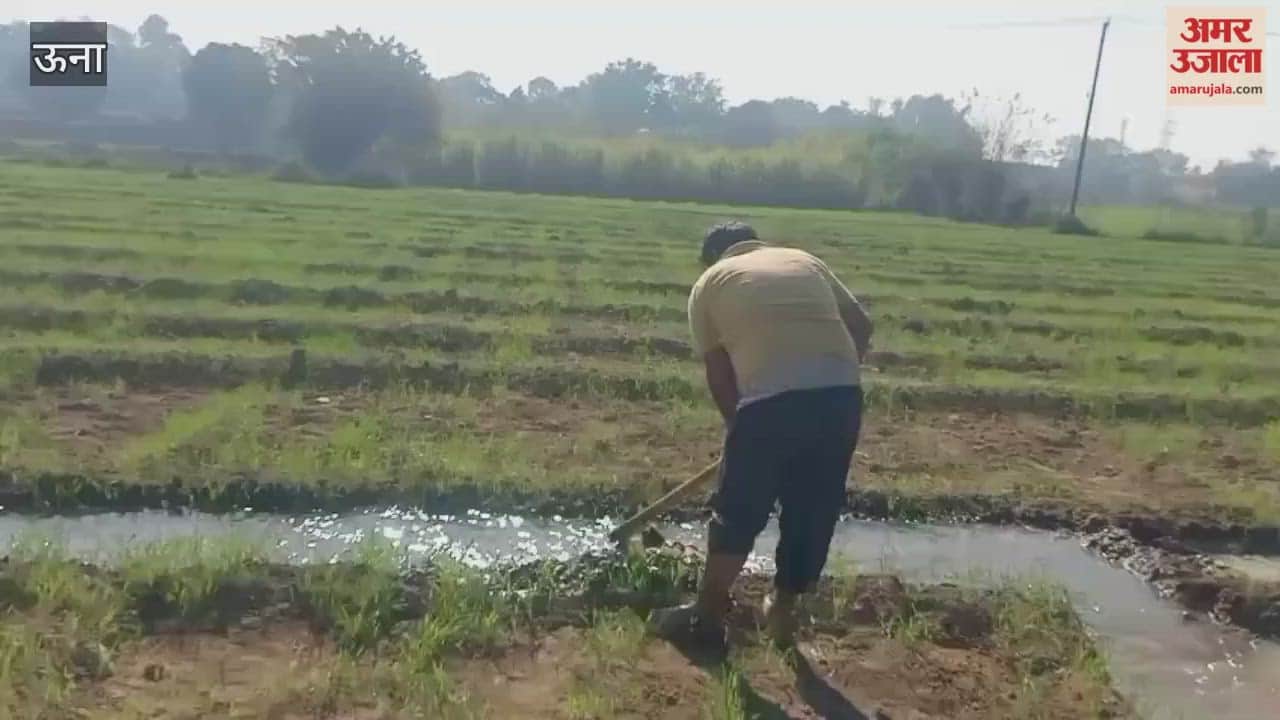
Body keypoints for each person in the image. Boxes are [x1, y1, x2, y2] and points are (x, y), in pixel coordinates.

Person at [650, 221, 872, 651]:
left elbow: (718, 371)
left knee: (739, 510)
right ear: (756, 244)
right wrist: (832, 375)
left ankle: (708, 613)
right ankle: (783, 611)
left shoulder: (709, 282)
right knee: (813, 507)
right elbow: (861, 325)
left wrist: (740, 428)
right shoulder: (804, 260)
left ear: (710, 257)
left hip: (767, 403)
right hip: (840, 399)